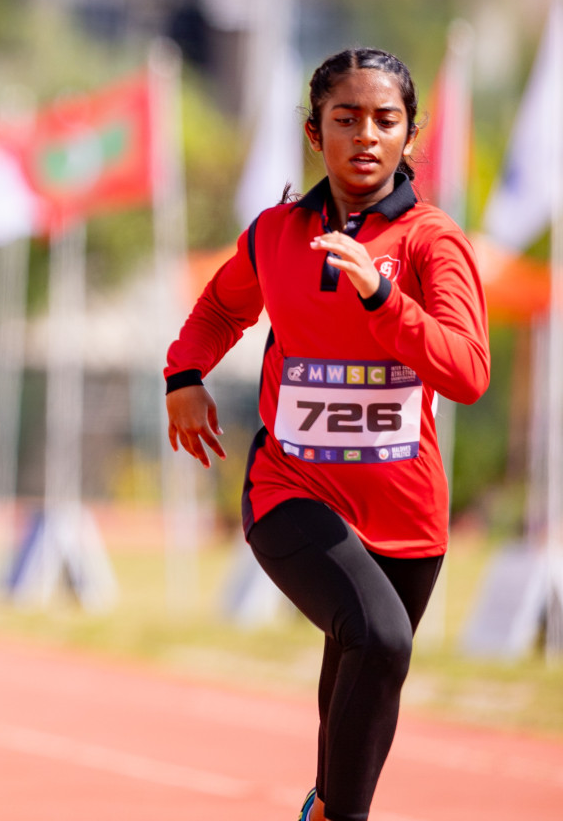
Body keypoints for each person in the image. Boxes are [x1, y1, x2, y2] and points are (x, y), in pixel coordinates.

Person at [164, 48, 489, 821]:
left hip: (406, 520)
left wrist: (384, 297)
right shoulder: (276, 233)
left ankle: (324, 809)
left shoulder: (431, 243)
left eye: (386, 120)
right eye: (346, 119)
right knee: (380, 640)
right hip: (291, 490)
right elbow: (218, 310)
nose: (367, 136)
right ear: (315, 133)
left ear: (411, 135)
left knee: (359, 673)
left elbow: (468, 372)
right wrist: (184, 376)